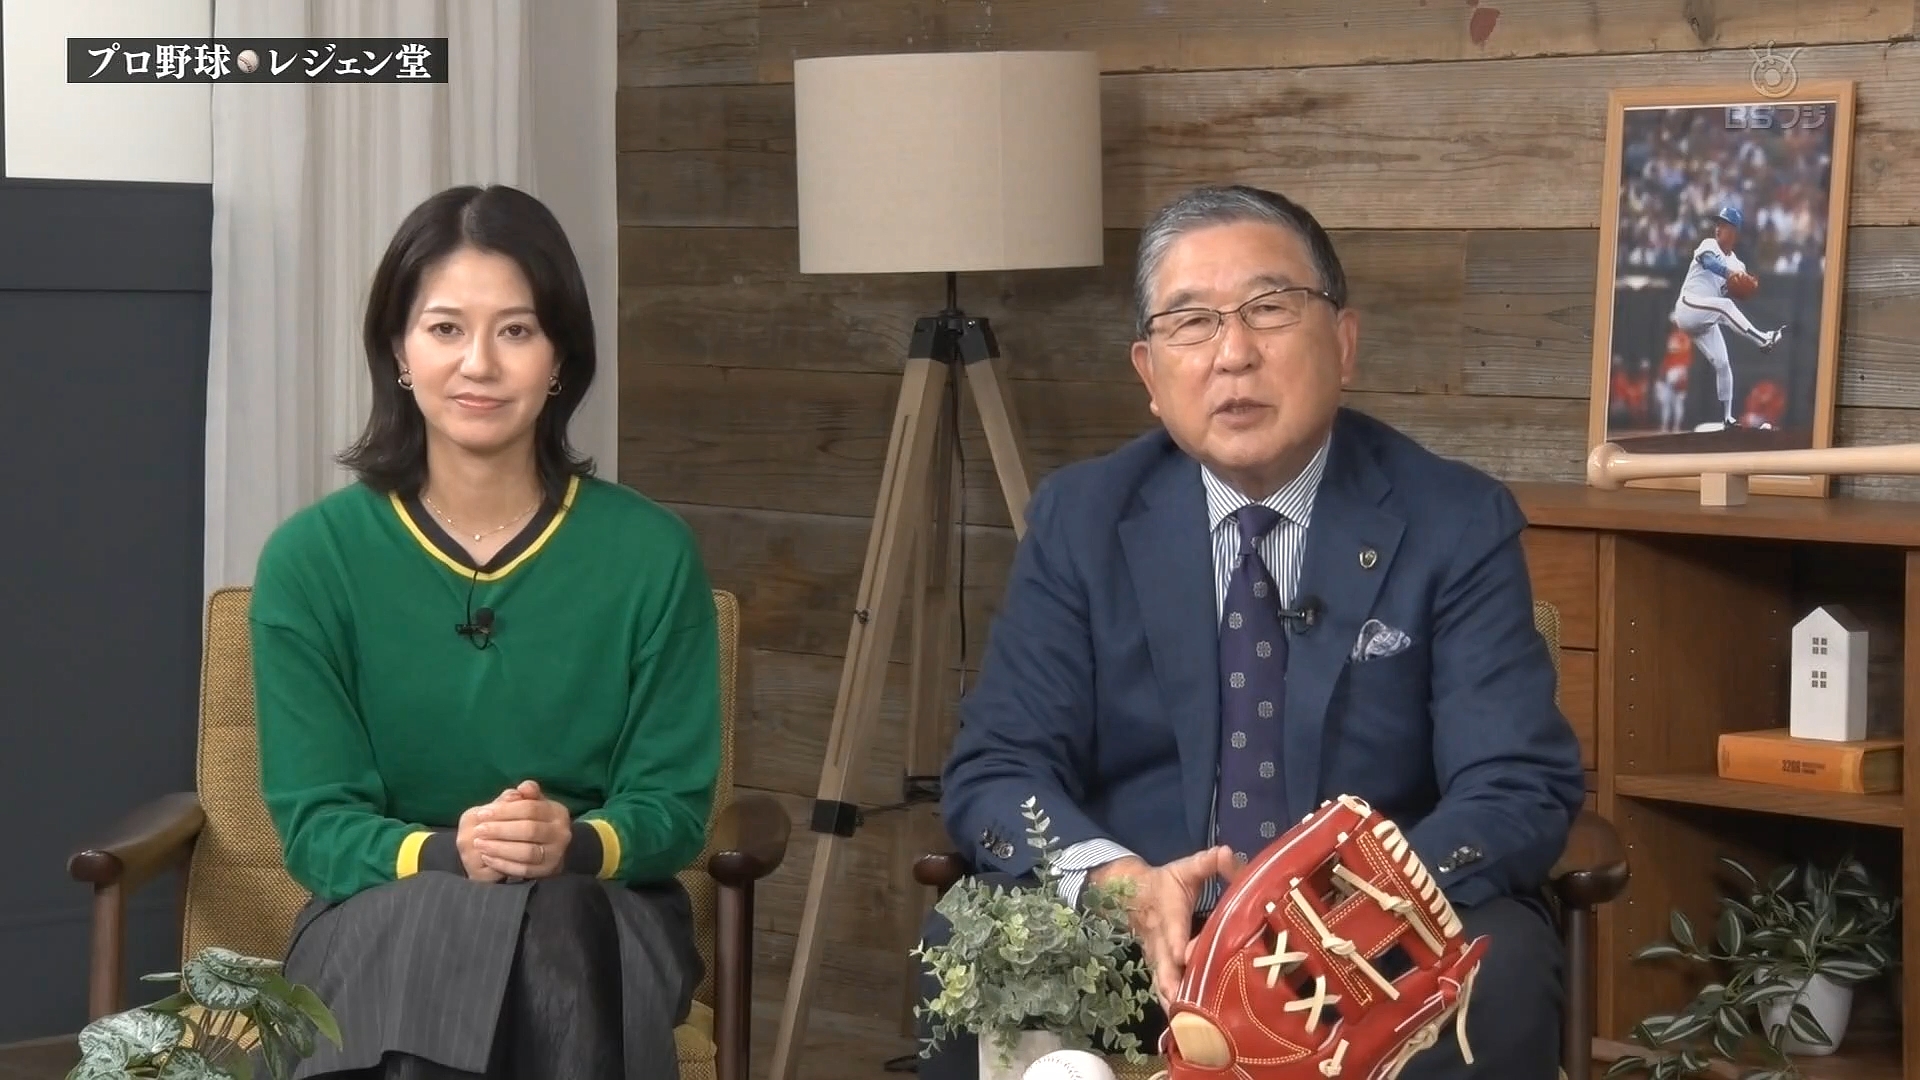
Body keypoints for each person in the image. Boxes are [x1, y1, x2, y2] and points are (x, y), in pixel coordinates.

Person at [917, 184, 1587, 1078]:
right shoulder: (1082, 519)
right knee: (970, 950)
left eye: (1270, 309)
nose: (1233, 353)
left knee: (1499, 981)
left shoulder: (1453, 521)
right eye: (1191, 323)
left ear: (1343, 343)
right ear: (1150, 375)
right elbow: (1000, 766)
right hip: (1144, 933)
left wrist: (1342, 915)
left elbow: (1515, 783)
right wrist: (1117, 885)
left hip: (1366, 942)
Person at [249, 183, 720, 1080]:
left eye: (516, 330)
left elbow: (672, 808)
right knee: (450, 931)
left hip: (604, 916)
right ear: (398, 350)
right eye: (445, 329)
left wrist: (568, 843)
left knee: (560, 917)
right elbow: (316, 826)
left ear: (559, 357)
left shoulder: (651, 553)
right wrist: (450, 852)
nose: (480, 364)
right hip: (379, 910)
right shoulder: (311, 560)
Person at [1669, 204, 1786, 430]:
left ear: (1735, 232)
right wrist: (1731, 274)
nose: (1718, 228)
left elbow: (1738, 291)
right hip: (1688, 307)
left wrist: (1748, 286)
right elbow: (1710, 263)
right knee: (1725, 307)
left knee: (1723, 363)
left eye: (1724, 225)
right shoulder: (1709, 244)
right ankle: (1763, 339)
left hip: (1706, 318)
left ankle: (1727, 418)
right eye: (1718, 224)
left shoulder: (1738, 264)